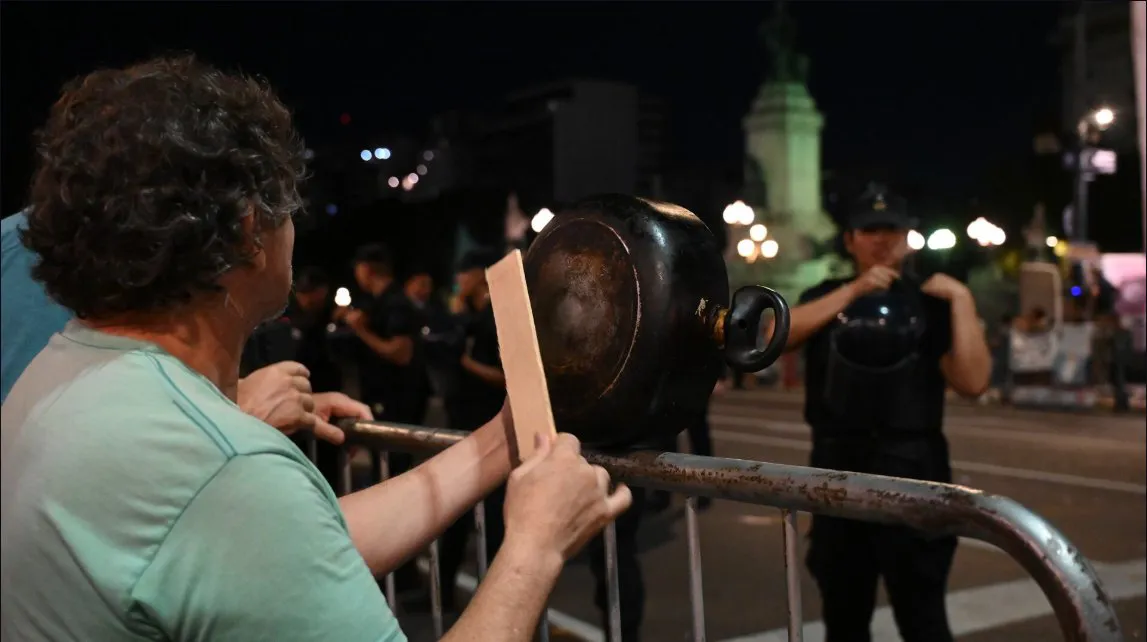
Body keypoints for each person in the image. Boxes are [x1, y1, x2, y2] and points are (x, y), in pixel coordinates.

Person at [0, 55, 631, 642]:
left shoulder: (60, 373)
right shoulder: (217, 467)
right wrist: (534, 547)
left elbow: (298, 555)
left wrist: (499, 440)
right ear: (252, 230)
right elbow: (248, 519)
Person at [777, 185, 991, 642]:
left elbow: (973, 382)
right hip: (838, 470)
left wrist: (963, 301)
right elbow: (778, 336)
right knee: (844, 617)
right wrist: (854, 290)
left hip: (914, 469)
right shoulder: (828, 294)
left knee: (924, 618)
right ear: (850, 239)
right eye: (869, 230)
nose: (881, 240)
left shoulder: (932, 299)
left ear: (909, 237)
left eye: (892, 229)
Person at [438, 249, 509, 612]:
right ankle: (445, 592)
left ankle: (492, 603)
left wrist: (465, 362)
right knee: (456, 514)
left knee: (495, 520)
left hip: (488, 427)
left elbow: (504, 376)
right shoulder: (467, 314)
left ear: (481, 275)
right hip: (464, 423)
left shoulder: (497, 313)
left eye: (464, 274)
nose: (459, 281)